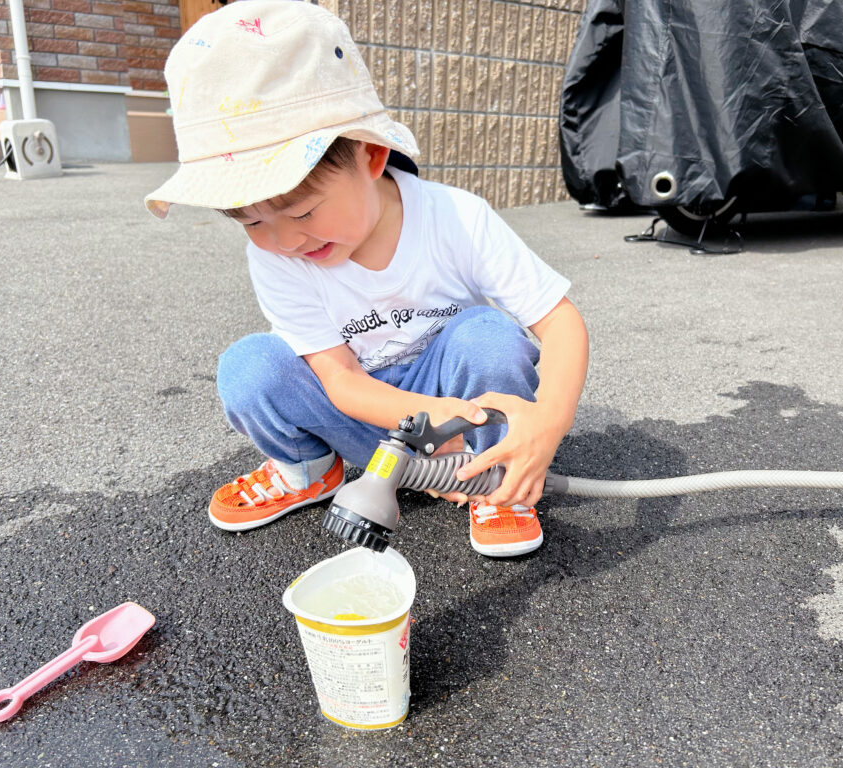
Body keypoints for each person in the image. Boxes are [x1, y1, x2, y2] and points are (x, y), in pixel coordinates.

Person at [145, 0, 589, 557]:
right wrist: (426, 423)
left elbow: (561, 322)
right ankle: (310, 472)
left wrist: (548, 422)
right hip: (366, 424)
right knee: (250, 367)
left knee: (488, 336)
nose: (285, 241)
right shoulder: (278, 258)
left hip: (463, 414)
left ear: (372, 156)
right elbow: (342, 382)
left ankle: (497, 476)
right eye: (252, 221)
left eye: (303, 213)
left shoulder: (457, 218)